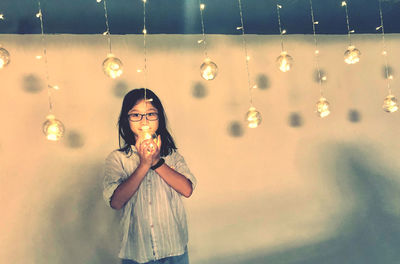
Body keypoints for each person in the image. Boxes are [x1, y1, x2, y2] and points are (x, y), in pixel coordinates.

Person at [103, 88, 197, 264]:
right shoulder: (118, 158)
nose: (144, 121)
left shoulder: (172, 156)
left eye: (150, 114)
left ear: (159, 118)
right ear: (126, 120)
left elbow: (187, 189)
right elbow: (116, 202)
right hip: (138, 252)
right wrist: (144, 164)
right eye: (136, 115)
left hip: (174, 248)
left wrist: (156, 162)